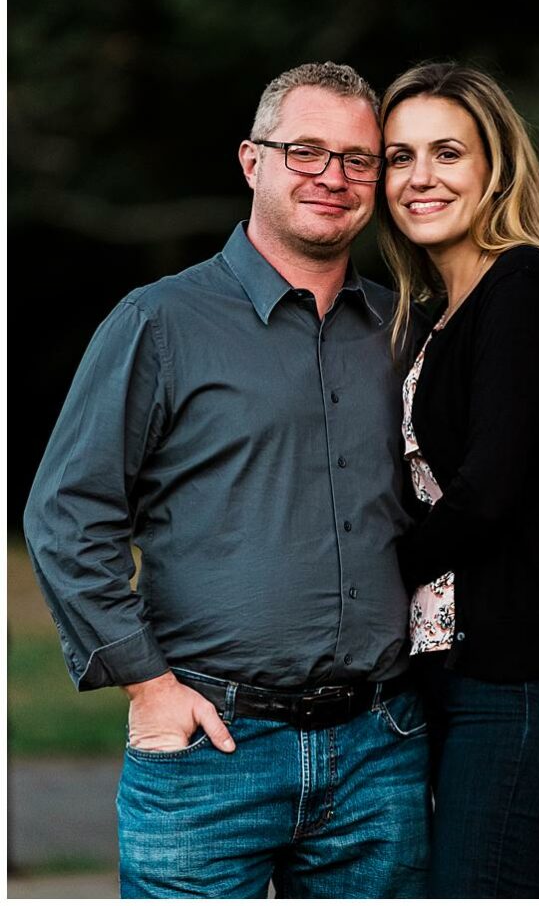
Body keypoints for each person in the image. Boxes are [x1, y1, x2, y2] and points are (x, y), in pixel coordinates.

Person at [23, 62, 432, 898]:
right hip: (211, 749)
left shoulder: (404, 331)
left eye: (359, 159)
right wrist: (148, 684)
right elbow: (67, 514)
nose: (334, 177)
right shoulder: (159, 322)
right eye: (307, 151)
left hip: (381, 749)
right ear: (253, 161)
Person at [377, 62, 539, 898]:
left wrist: (353, 579)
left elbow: (489, 491)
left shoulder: (527, 284)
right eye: (398, 156)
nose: (419, 179)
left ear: (496, 167)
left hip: (525, 681)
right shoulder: (428, 312)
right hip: (457, 673)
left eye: (447, 153)